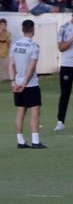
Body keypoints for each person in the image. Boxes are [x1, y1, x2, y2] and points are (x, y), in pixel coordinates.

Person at [11, 18, 44, 149]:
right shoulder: (34, 46)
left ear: (22, 29)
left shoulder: (15, 45)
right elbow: (31, 68)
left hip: (17, 83)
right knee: (35, 112)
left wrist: (13, 81)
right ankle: (35, 141)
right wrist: (25, 83)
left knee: (20, 112)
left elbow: (11, 65)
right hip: (30, 84)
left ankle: (20, 141)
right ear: (33, 30)